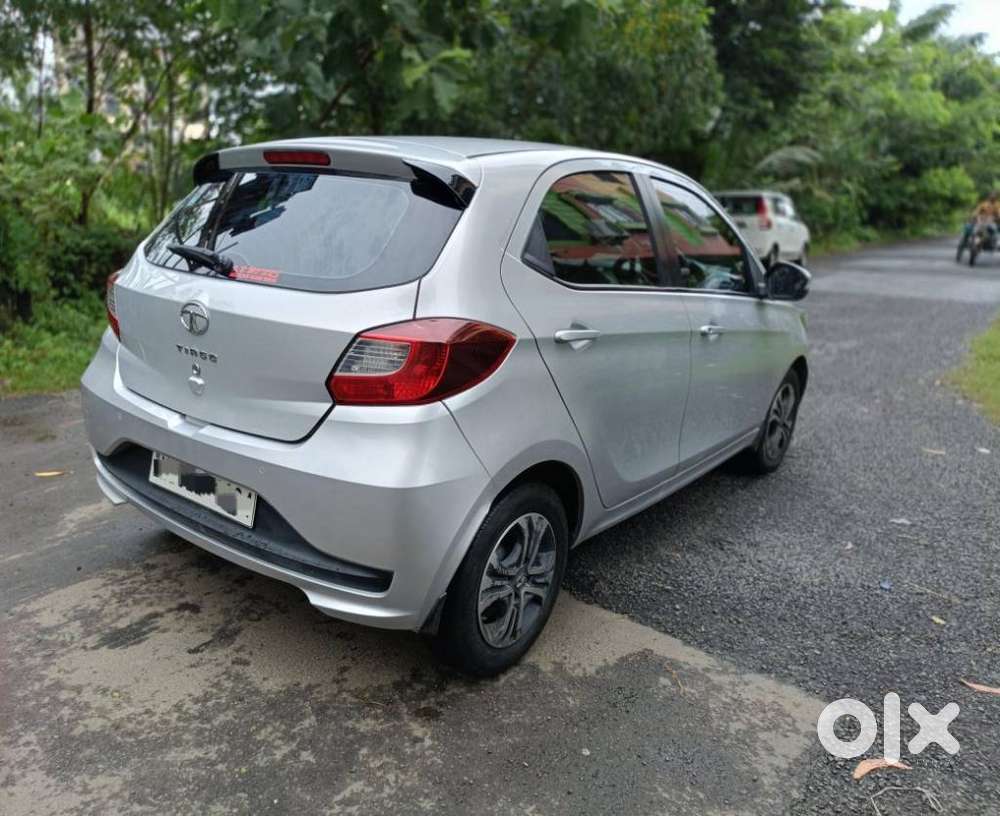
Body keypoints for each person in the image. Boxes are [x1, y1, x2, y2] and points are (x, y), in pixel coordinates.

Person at [958, 192, 1000, 260]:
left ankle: (993, 242)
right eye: (991, 196)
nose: (992, 198)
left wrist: (997, 217)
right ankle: (970, 242)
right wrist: (974, 216)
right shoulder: (984, 204)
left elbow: (999, 213)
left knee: (994, 230)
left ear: (996, 198)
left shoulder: (998, 205)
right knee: (971, 228)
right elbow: (976, 211)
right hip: (981, 221)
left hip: (992, 222)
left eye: (994, 197)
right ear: (989, 197)